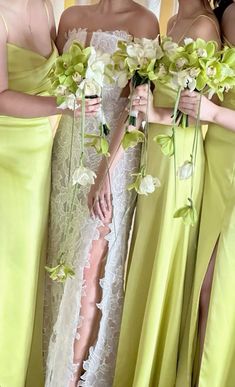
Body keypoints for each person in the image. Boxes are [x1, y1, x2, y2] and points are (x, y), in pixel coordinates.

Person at [44, 1, 159, 387]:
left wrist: (104, 173)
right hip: (67, 151)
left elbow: (138, 108)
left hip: (113, 156)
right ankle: (51, 365)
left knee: (92, 268)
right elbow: (56, 86)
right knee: (61, 267)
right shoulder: (70, 17)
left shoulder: (144, 21)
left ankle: (74, 379)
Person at [113, 1, 221, 386]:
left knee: (165, 255)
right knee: (144, 254)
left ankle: (153, 374)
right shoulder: (172, 19)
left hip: (180, 164)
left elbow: (196, 111)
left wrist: (152, 114)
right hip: (155, 158)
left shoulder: (205, 26)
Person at [0, 1, 99, 386]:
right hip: (7, 156)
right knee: (8, 273)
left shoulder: (46, 6)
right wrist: (67, 106)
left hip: (42, 158)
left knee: (28, 275)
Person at [176, 1, 235, 385]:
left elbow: (212, 108)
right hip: (215, 161)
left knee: (214, 292)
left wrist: (213, 114)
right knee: (202, 290)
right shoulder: (223, 15)